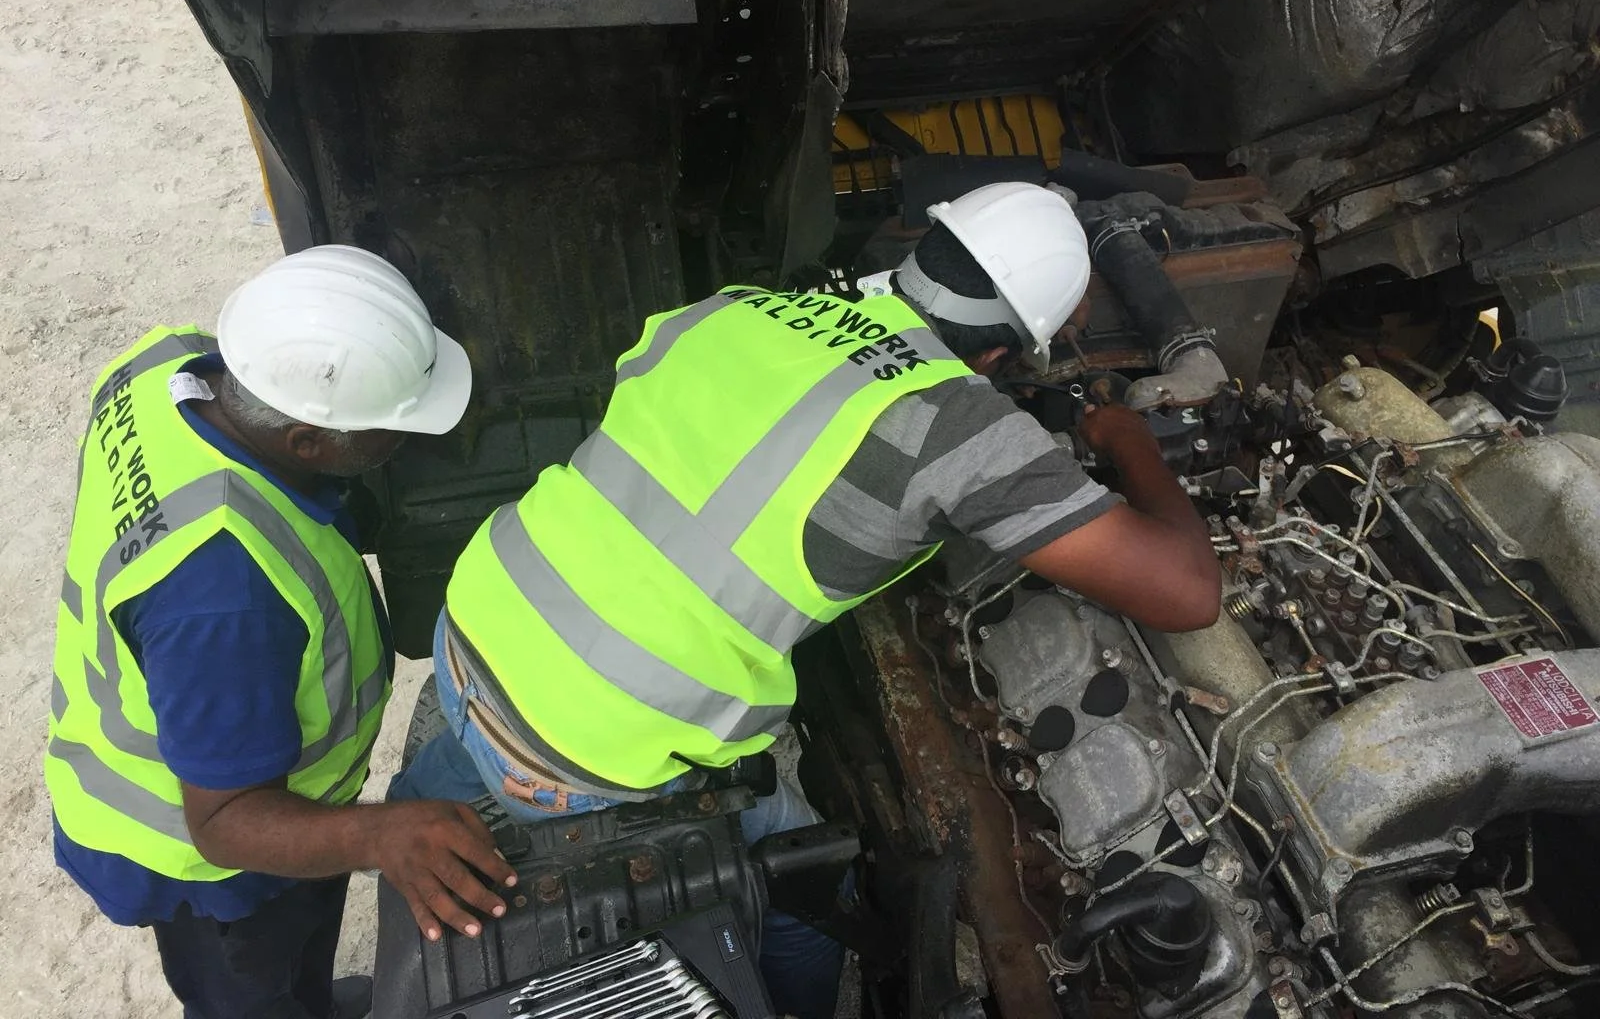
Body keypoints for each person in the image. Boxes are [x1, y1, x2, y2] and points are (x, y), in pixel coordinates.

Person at [389, 182, 1222, 1018]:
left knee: (460, 761)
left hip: (479, 619)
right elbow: (1187, 593)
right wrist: (1128, 442)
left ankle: (424, 804)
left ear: (920, 256)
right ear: (1003, 357)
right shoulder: (958, 423)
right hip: (597, 742)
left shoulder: (732, 309)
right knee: (813, 902)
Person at [45, 245, 516, 1019]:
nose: (404, 443)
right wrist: (382, 836)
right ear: (308, 443)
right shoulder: (226, 599)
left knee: (295, 958)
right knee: (250, 990)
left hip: (236, 769)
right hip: (209, 863)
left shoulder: (162, 365)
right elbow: (226, 825)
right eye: (389, 430)